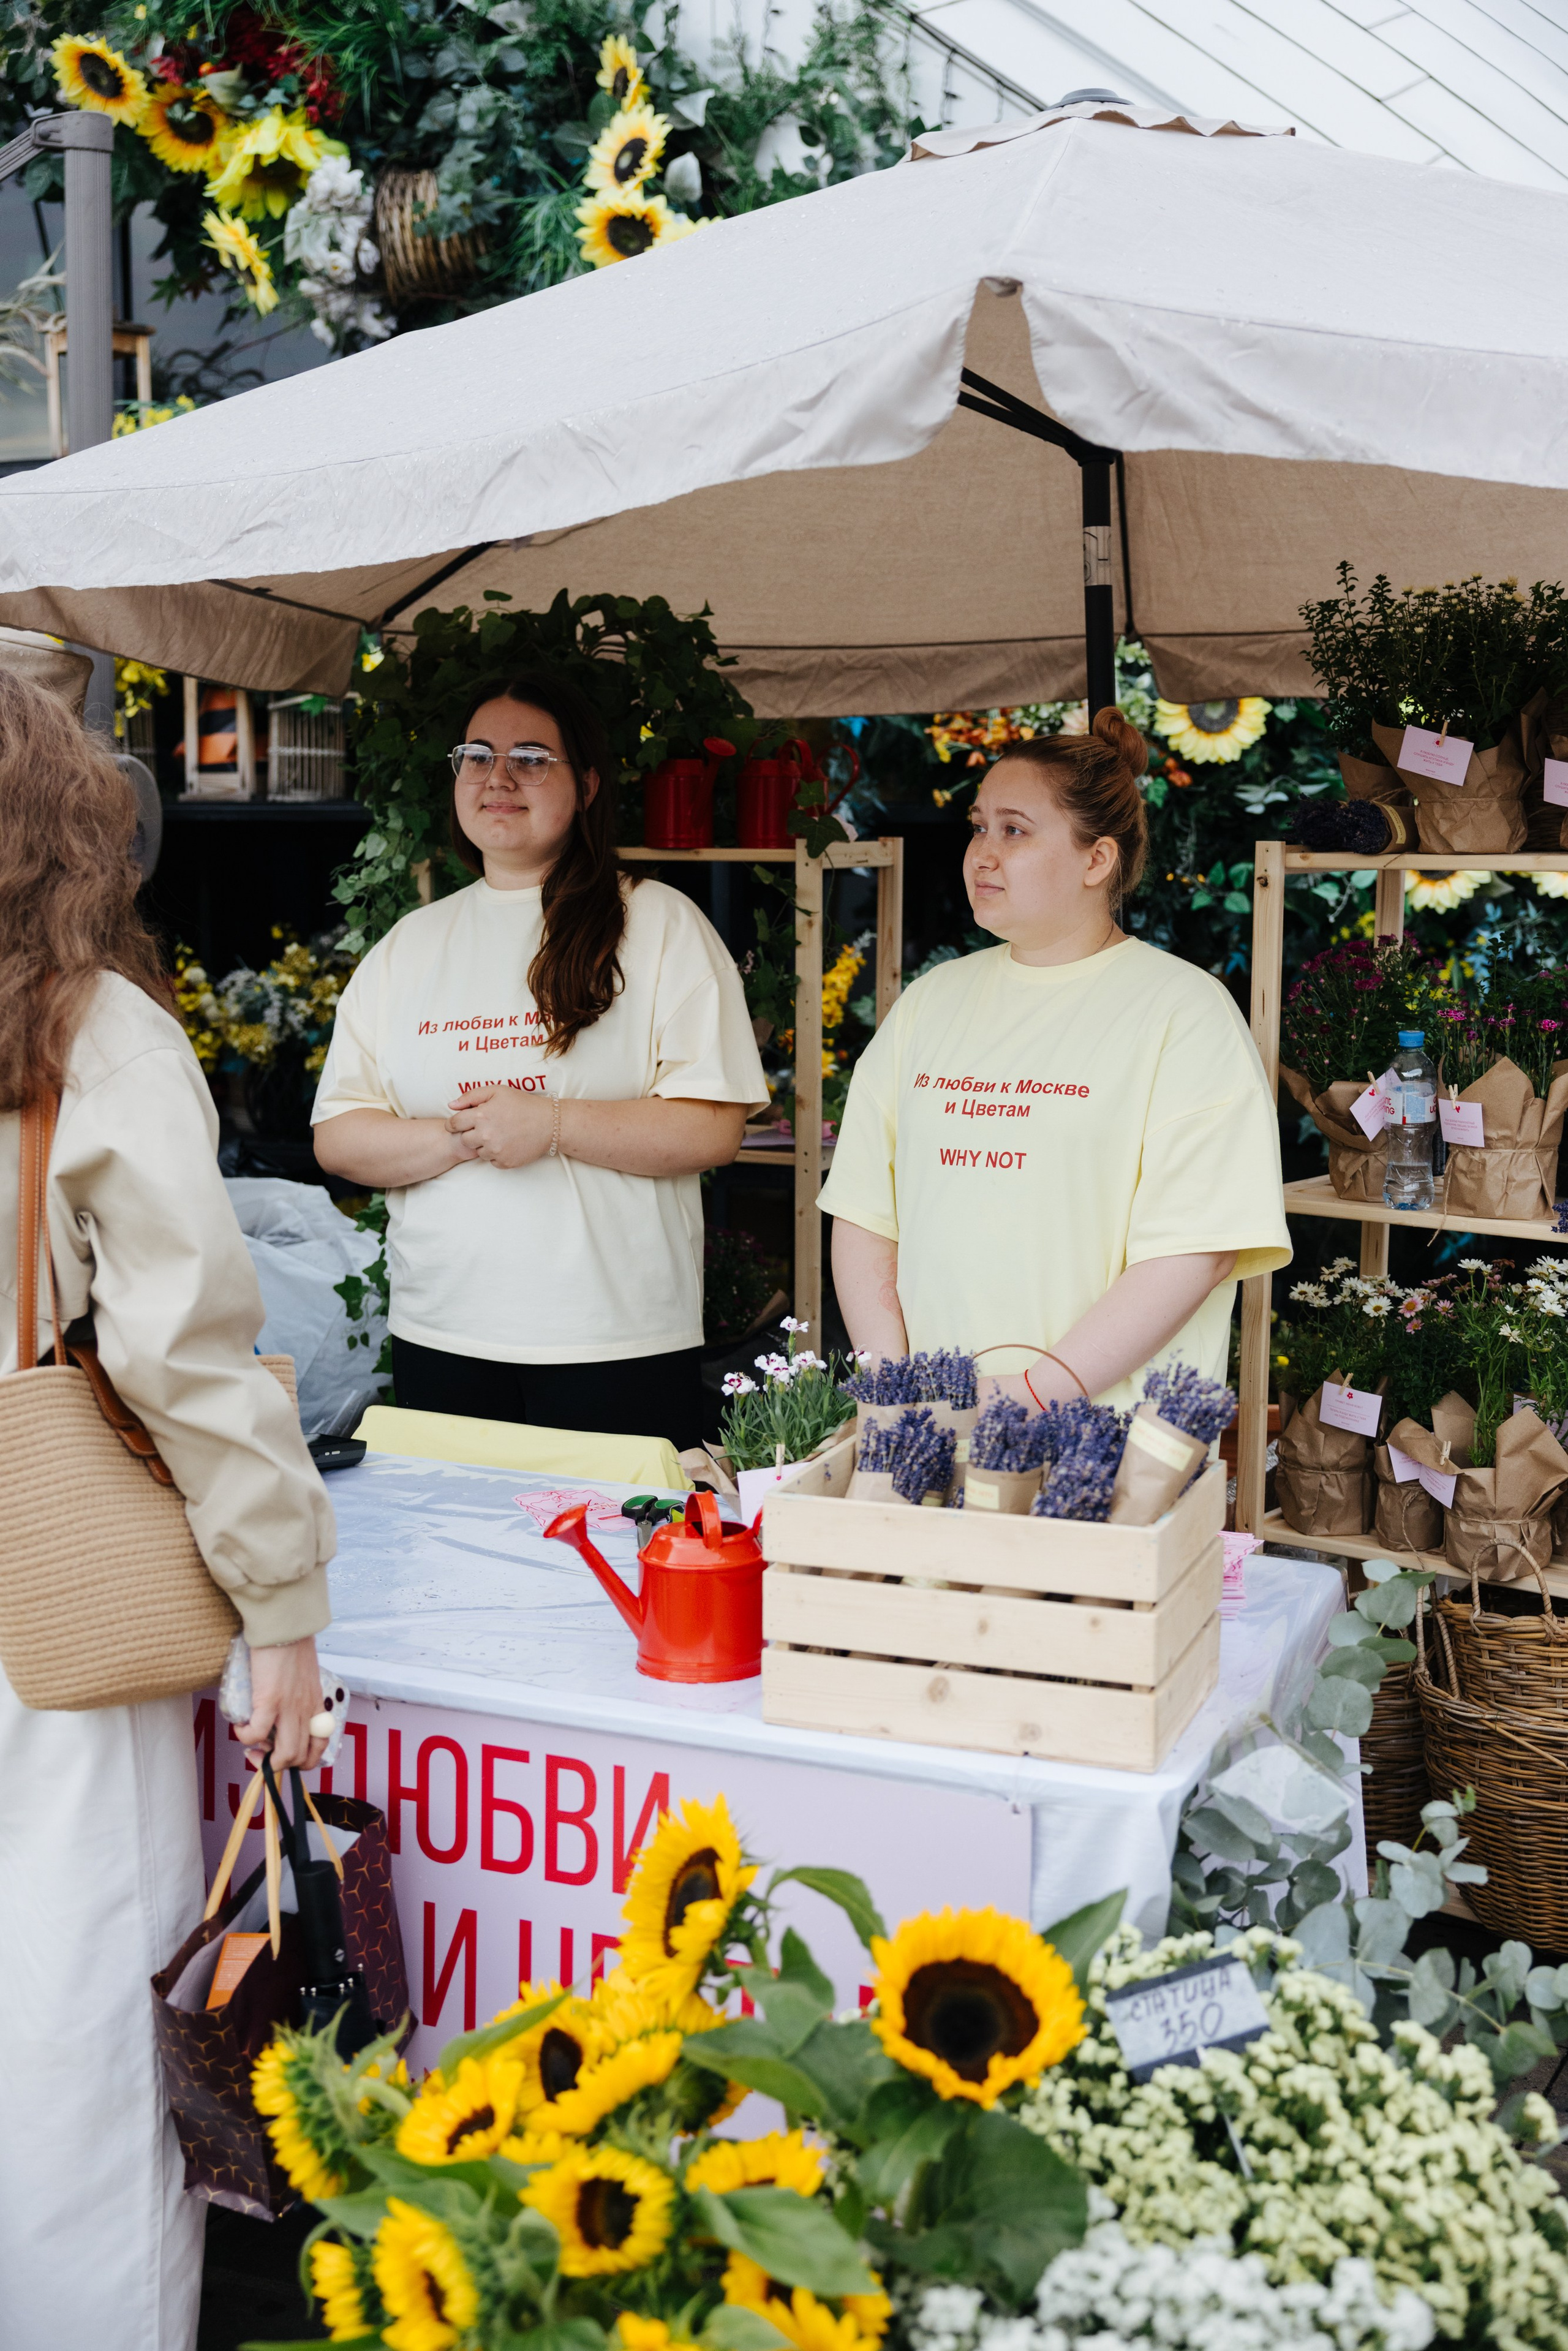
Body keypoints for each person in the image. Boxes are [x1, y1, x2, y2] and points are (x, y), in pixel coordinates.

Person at [0, 671, 335, 2350]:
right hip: (39, 1580)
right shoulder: (83, 1028)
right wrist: (281, 1601)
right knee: (68, 2012)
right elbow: (191, 1351)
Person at [312, 671, 767, 1451]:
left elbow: (711, 1129)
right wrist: (466, 1136)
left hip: (614, 1339)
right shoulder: (410, 946)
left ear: (586, 784)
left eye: (530, 757)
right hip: (444, 1332)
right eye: (477, 755)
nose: (498, 777)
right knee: (449, 1568)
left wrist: (551, 1124)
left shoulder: (658, 923)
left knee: (612, 1570)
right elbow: (340, 1136)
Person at [821, 708, 1291, 1406]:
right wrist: (896, 1392)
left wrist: (1035, 1395)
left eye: (1014, 830)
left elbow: (1196, 1248)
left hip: (1106, 1442)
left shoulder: (1182, 1012)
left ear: (1096, 859)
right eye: (979, 827)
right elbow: (864, 1213)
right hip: (929, 1428)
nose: (982, 852)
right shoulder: (929, 1003)